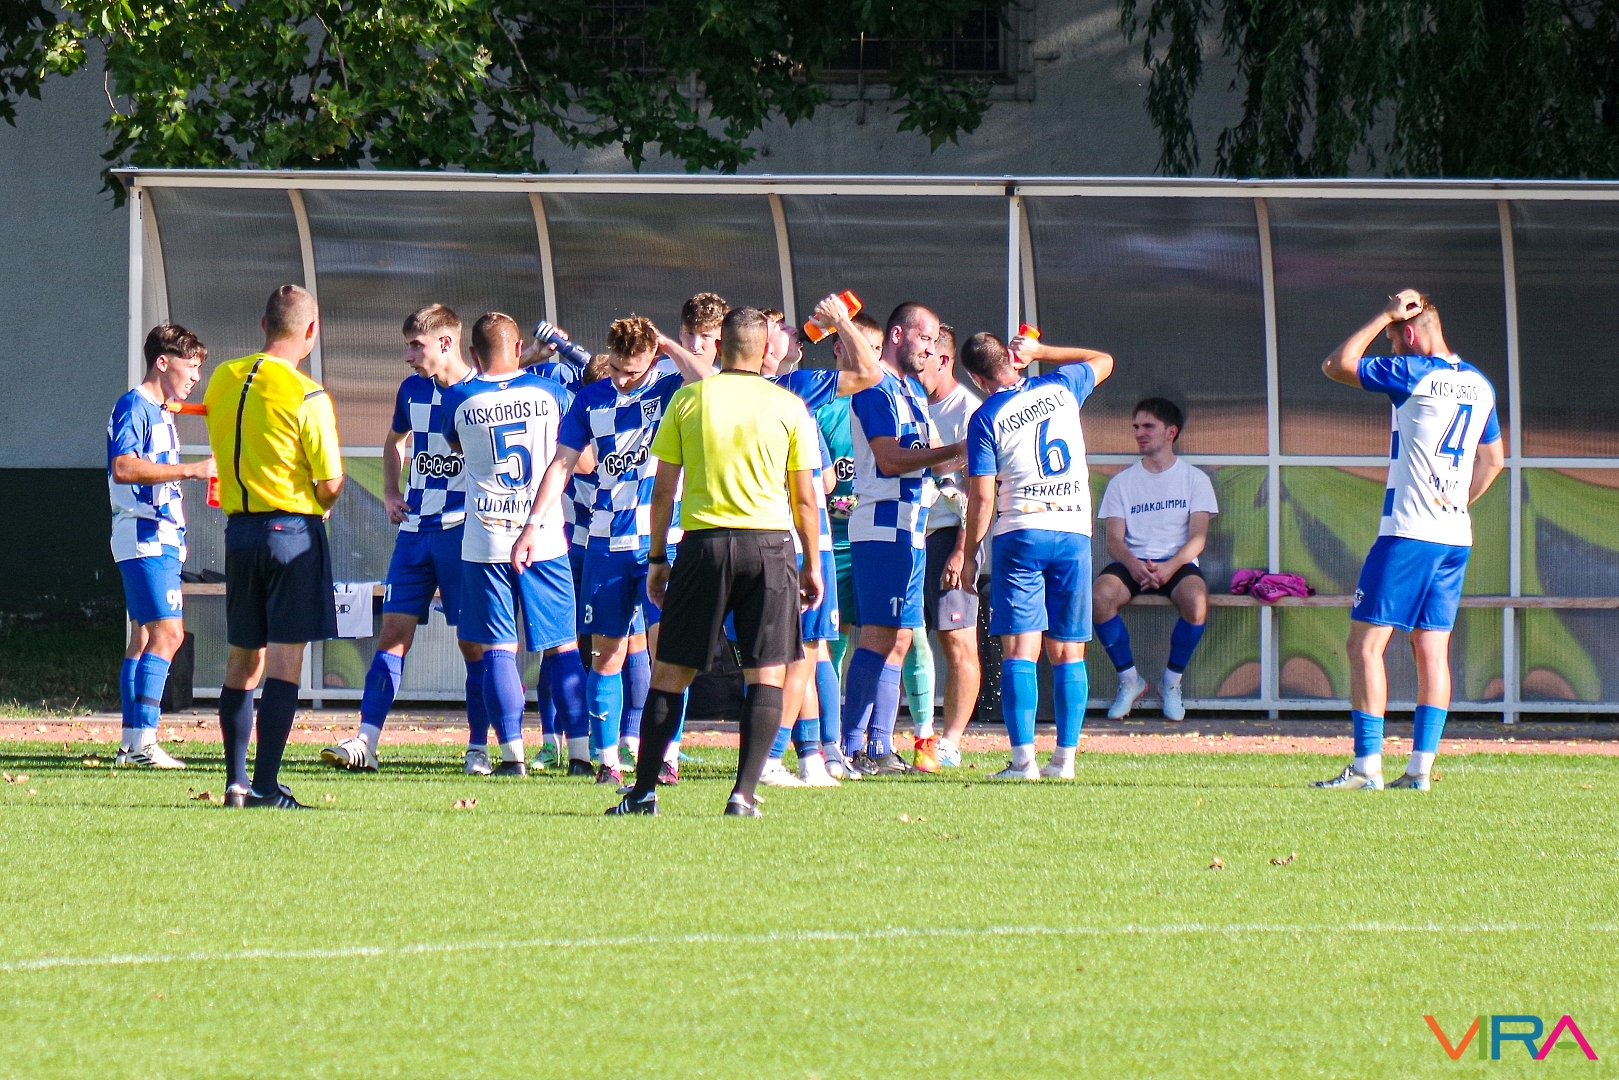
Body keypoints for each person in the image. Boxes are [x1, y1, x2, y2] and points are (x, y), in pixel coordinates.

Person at [607, 307, 824, 816]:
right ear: (764, 350)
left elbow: (663, 490)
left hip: (703, 545)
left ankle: (643, 793)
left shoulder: (690, 399)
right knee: (766, 674)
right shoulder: (789, 405)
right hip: (770, 547)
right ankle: (742, 795)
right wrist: (812, 563)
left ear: (721, 346)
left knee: (670, 672)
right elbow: (805, 500)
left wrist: (657, 557)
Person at [1313, 289, 1503, 791]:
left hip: (1408, 533)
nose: (1392, 348)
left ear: (1411, 334)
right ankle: (1419, 771)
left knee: (1365, 645)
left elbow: (1337, 364)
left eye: (1395, 340)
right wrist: (1456, 503)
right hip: (1454, 536)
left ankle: (1366, 768)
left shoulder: (1412, 372)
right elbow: (1493, 461)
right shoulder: (1479, 384)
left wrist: (1385, 315)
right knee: (1432, 650)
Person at [514, 316, 710, 787]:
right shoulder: (590, 399)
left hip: (662, 542)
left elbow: (709, 381)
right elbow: (561, 464)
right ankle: (608, 762)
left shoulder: (669, 386)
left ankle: (666, 757)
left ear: (653, 360)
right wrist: (532, 525)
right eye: (617, 369)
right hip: (605, 545)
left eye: (632, 371)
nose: (622, 379)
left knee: (669, 656)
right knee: (607, 655)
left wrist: (666, 343)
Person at [321, 305, 486, 773]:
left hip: (462, 533)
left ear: (446, 343)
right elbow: (394, 442)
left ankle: (478, 746)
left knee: (473, 643)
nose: (409, 356)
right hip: (414, 534)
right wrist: (392, 493)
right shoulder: (411, 390)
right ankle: (366, 741)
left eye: (416, 345)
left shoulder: (480, 394)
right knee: (392, 634)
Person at [946, 330, 1114, 781]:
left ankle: (1023, 762)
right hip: (1073, 530)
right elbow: (1103, 358)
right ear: (1011, 359)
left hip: (1022, 530)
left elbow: (983, 497)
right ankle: (1065, 760)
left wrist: (969, 553)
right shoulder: (1060, 386)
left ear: (977, 379)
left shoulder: (985, 417)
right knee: (1069, 649)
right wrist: (1042, 352)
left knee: (1021, 649)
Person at [204, 285, 344, 809]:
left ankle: (235, 783)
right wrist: (319, 500)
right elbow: (330, 483)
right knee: (286, 660)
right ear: (312, 331)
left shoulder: (224, 377)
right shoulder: (307, 394)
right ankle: (266, 785)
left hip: (240, 533)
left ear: (263, 325)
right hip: (291, 533)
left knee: (243, 659)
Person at [442, 312, 584, 778]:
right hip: (544, 536)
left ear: (471, 354)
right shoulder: (553, 392)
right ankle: (580, 755)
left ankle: (511, 757)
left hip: (486, 537)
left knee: (499, 648)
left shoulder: (459, 397)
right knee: (562, 646)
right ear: (520, 346)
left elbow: (459, 446)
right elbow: (582, 461)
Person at [754, 298, 884, 787]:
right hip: (798, 537)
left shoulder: (774, 391)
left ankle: (814, 755)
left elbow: (826, 477)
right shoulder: (790, 388)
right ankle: (772, 757)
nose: (794, 331)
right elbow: (870, 373)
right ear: (763, 347)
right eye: (780, 327)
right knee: (804, 651)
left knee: (810, 651)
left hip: (771, 534)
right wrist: (842, 322)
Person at [840, 303, 966, 776]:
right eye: (925, 338)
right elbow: (890, 460)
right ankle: (850, 747)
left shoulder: (913, 391)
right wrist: (954, 449)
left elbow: (932, 459)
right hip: (881, 527)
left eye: (934, 341)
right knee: (877, 635)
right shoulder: (875, 389)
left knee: (901, 638)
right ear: (898, 335)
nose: (931, 349)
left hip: (912, 529)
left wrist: (973, 451)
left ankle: (879, 745)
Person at [107, 323, 214, 769]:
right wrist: (192, 470)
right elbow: (123, 467)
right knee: (169, 635)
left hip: (157, 535)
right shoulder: (135, 405)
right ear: (163, 362)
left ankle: (132, 742)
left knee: (144, 638)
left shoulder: (161, 410)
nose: (196, 377)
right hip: (146, 535)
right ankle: (144, 744)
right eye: (191, 367)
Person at [1093, 398, 1218, 723]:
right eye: (1136, 426)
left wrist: (1169, 567)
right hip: (1132, 563)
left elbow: (1198, 538)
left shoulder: (1195, 479)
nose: (1140, 433)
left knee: (1196, 602)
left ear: (1171, 432)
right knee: (1099, 597)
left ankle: (1171, 683)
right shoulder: (1121, 482)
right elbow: (1114, 541)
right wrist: (1134, 565)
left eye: (1148, 426)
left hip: (1178, 564)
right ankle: (1130, 680)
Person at [905, 323, 984, 772]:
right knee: (901, 637)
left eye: (925, 360)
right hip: (908, 534)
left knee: (957, 641)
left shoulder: (969, 411)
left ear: (945, 360)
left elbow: (978, 492)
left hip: (949, 535)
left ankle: (951, 741)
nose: (916, 369)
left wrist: (962, 550)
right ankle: (901, 735)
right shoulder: (906, 400)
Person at [814, 310, 885, 780]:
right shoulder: (823, 405)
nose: (868, 356)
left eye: (875, 349)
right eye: (859, 345)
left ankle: (881, 740)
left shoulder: (890, 400)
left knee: (897, 639)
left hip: (879, 540)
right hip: (834, 543)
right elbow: (815, 481)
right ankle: (829, 741)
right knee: (830, 643)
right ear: (839, 347)